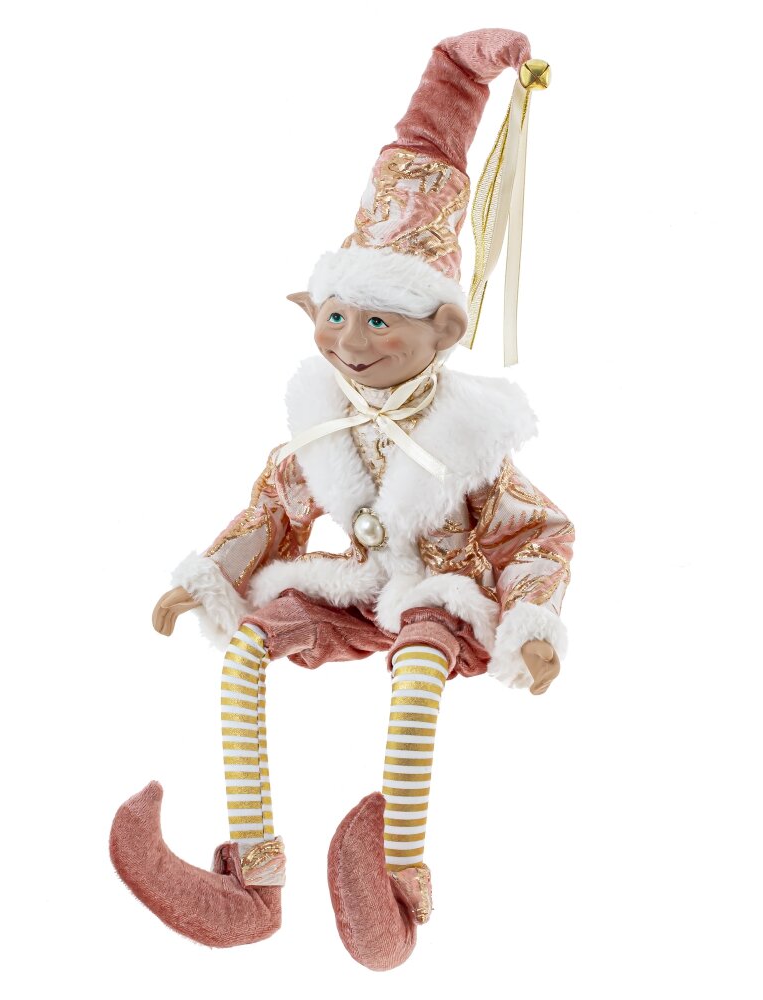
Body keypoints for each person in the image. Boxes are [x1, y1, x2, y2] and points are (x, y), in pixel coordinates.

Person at [110, 28, 573, 971]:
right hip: (356, 584)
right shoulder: (319, 421)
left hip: (440, 599)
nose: (350, 344)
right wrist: (207, 578)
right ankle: (255, 878)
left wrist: (532, 621)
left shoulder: (471, 437)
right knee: (248, 645)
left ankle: (398, 877)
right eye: (334, 317)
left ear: (442, 331)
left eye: (378, 322)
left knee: (418, 676)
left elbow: (538, 532)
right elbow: (273, 511)